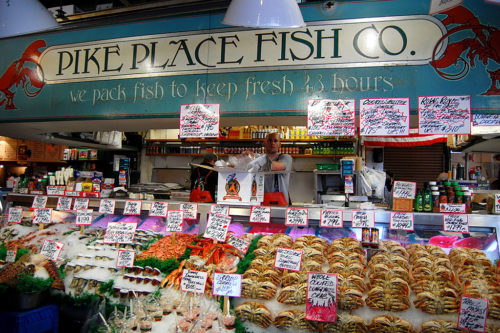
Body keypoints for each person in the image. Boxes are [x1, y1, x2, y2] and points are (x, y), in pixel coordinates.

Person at [248, 132, 293, 205]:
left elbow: (277, 166)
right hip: (260, 202)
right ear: (265, 143)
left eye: (275, 141)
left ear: (279, 145)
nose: (272, 143)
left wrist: (252, 161)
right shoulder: (258, 159)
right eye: (270, 140)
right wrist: (243, 159)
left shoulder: (286, 158)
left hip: (280, 204)